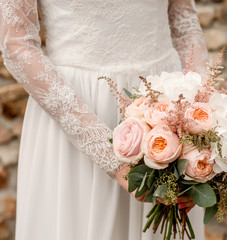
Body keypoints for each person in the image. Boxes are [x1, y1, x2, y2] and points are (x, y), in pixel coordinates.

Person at [0, 0, 208, 239]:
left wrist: (201, 116)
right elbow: (17, 47)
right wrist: (110, 156)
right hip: (77, 113)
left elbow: (185, 26)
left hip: (168, 112)